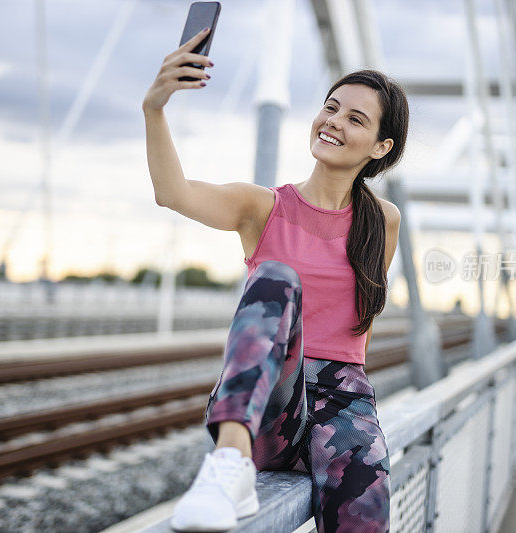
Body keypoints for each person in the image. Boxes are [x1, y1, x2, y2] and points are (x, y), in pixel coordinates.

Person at [142, 26, 408, 533]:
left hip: (346, 399)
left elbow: (357, 335)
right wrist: (155, 108)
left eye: (355, 119)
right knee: (275, 277)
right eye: (331, 107)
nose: (332, 122)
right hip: (269, 400)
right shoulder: (262, 207)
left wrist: (340, 436)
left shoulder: (384, 222)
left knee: (364, 513)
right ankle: (230, 465)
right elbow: (172, 192)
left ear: (380, 147)